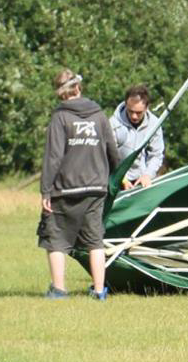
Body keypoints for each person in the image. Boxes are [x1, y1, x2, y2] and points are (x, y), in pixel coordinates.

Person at [38, 68, 123, 299]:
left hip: (65, 188)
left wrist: (46, 190)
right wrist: (119, 176)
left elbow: (53, 156)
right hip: (96, 188)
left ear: (60, 93)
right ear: (78, 88)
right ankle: (99, 290)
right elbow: (112, 151)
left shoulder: (60, 118)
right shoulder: (99, 115)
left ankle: (59, 289)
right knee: (95, 241)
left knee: (55, 239)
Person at [109, 84, 164, 189]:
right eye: (131, 111)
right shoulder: (113, 124)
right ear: (126, 104)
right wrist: (121, 179)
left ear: (147, 108)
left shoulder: (154, 124)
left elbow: (156, 154)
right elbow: (109, 156)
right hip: (116, 179)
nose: (134, 116)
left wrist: (148, 175)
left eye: (138, 113)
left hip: (142, 180)